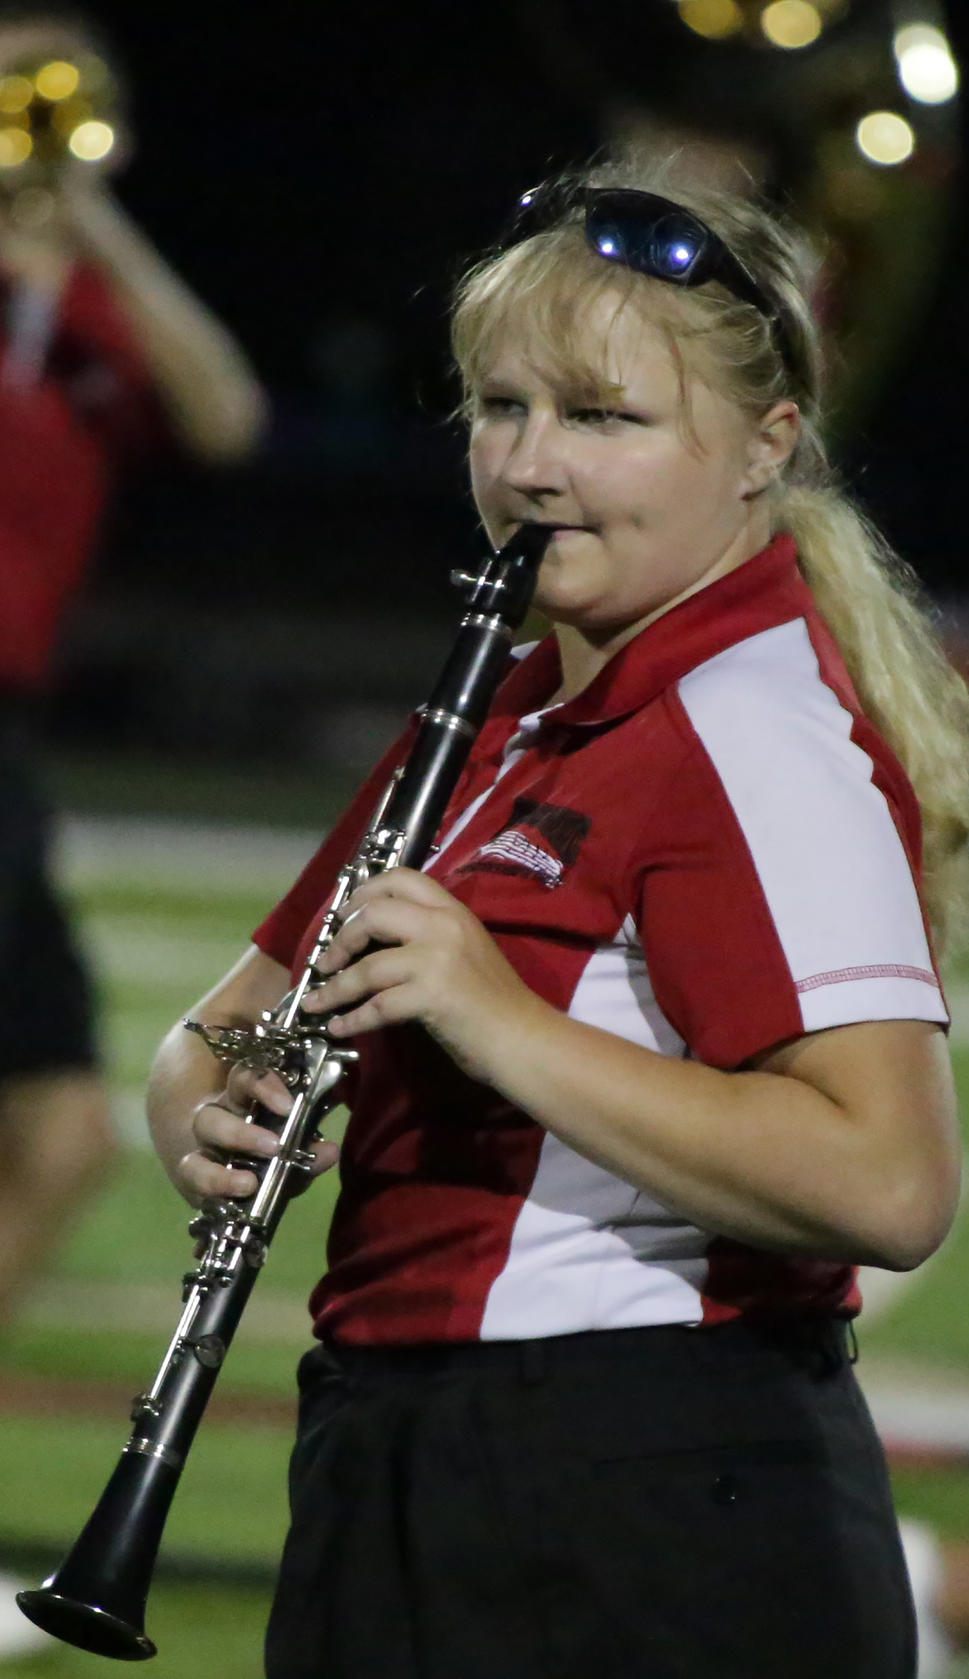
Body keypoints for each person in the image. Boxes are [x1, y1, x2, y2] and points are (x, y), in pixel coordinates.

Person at [147, 160, 969, 1679]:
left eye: (604, 420)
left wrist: (493, 1017)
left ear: (765, 448)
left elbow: (890, 1180)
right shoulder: (507, 713)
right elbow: (217, 1030)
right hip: (414, 1446)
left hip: (647, 1490)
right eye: (502, 408)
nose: (532, 467)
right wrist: (204, 1108)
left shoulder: (751, 728)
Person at [0, 10, 265, 1655]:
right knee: (51, 1127)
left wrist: (83, 212)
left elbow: (225, 414)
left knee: (58, 1136)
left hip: (7, 739)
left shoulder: (87, 303)